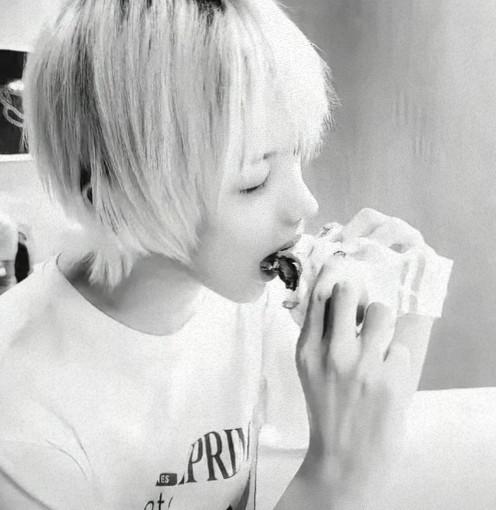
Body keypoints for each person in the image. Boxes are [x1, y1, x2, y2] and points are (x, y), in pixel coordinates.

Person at [0, 0, 436, 508]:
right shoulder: (22, 413)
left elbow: (365, 430)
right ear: (116, 197)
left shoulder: (245, 303)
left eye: (296, 156)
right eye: (254, 180)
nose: (306, 204)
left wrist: (411, 287)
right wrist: (333, 478)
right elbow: (346, 468)